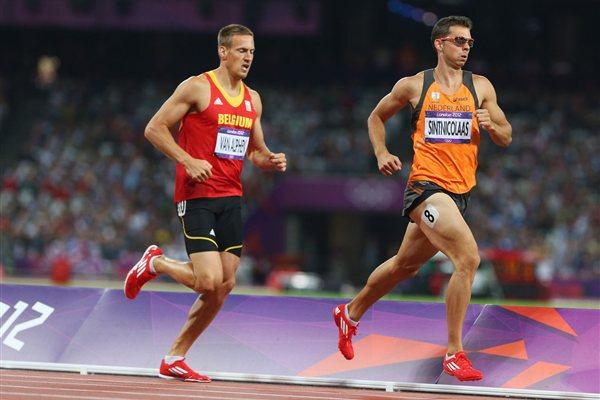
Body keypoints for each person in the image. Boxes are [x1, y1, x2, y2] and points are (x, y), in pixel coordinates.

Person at [333, 16, 512, 382]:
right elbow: (375, 117)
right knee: (468, 258)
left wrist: (493, 126)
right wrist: (381, 153)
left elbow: (506, 135)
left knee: (403, 266)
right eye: (459, 41)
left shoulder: (481, 88)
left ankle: (349, 313)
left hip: (460, 193)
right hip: (426, 190)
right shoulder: (415, 86)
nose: (465, 48)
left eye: (469, 43)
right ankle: (454, 352)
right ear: (440, 44)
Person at [124, 24, 287, 383]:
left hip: (231, 197)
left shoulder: (252, 99)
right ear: (223, 52)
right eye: (242, 50)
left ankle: (175, 357)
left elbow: (255, 152)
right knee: (207, 281)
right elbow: (154, 128)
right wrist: (187, 160)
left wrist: (270, 159)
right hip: (196, 195)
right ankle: (157, 262)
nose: (248, 57)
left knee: (225, 286)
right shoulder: (197, 87)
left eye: (252, 52)